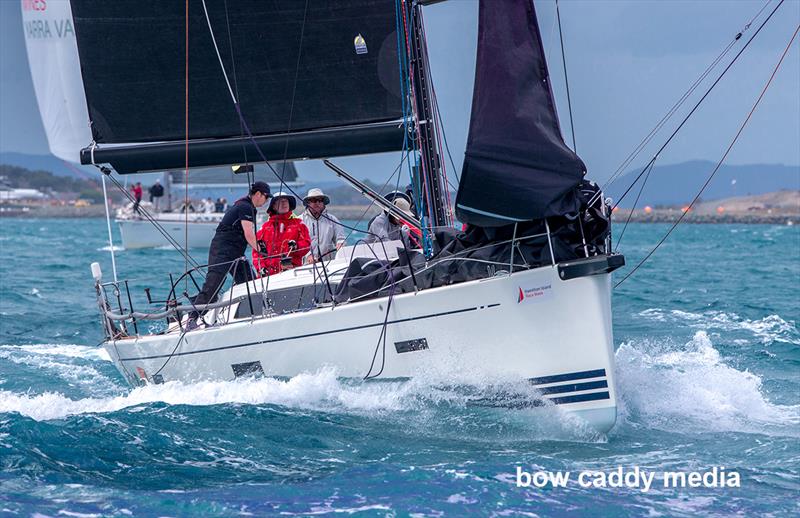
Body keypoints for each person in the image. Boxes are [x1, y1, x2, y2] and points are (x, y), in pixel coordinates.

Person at [186, 181, 271, 330]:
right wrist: (263, 251)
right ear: (258, 194)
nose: (267, 201)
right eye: (266, 197)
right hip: (222, 251)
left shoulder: (247, 206)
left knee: (249, 282)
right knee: (213, 284)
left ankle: (256, 314)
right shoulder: (245, 207)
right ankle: (192, 318)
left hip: (236, 253)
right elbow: (249, 234)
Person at [252, 192, 311, 276]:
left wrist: (296, 246)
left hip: (292, 273)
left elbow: (307, 244)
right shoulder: (264, 228)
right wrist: (261, 268)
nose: (284, 203)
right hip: (268, 276)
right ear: (273, 206)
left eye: (286, 201)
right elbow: (256, 252)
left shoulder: (299, 225)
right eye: (280, 201)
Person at [300, 188, 346, 264]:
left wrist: (340, 243)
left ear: (323, 203)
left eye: (320, 200)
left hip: (328, 265)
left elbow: (340, 238)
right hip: (305, 266)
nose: (317, 203)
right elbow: (298, 243)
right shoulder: (300, 221)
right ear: (308, 203)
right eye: (314, 200)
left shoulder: (332, 220)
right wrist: (308, 255)